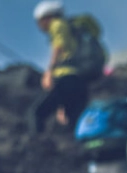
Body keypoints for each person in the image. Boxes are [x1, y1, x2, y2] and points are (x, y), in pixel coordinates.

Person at [30, 1, 98, 133]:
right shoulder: (71, 28)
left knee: (36, 113)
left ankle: (35, 145)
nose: (39, 26)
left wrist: (49, 71)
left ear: (46, 17)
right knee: (74, 122)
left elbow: (59, 46)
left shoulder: (57, 24)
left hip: (66, 77)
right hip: (80, 80)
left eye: (39, 21)